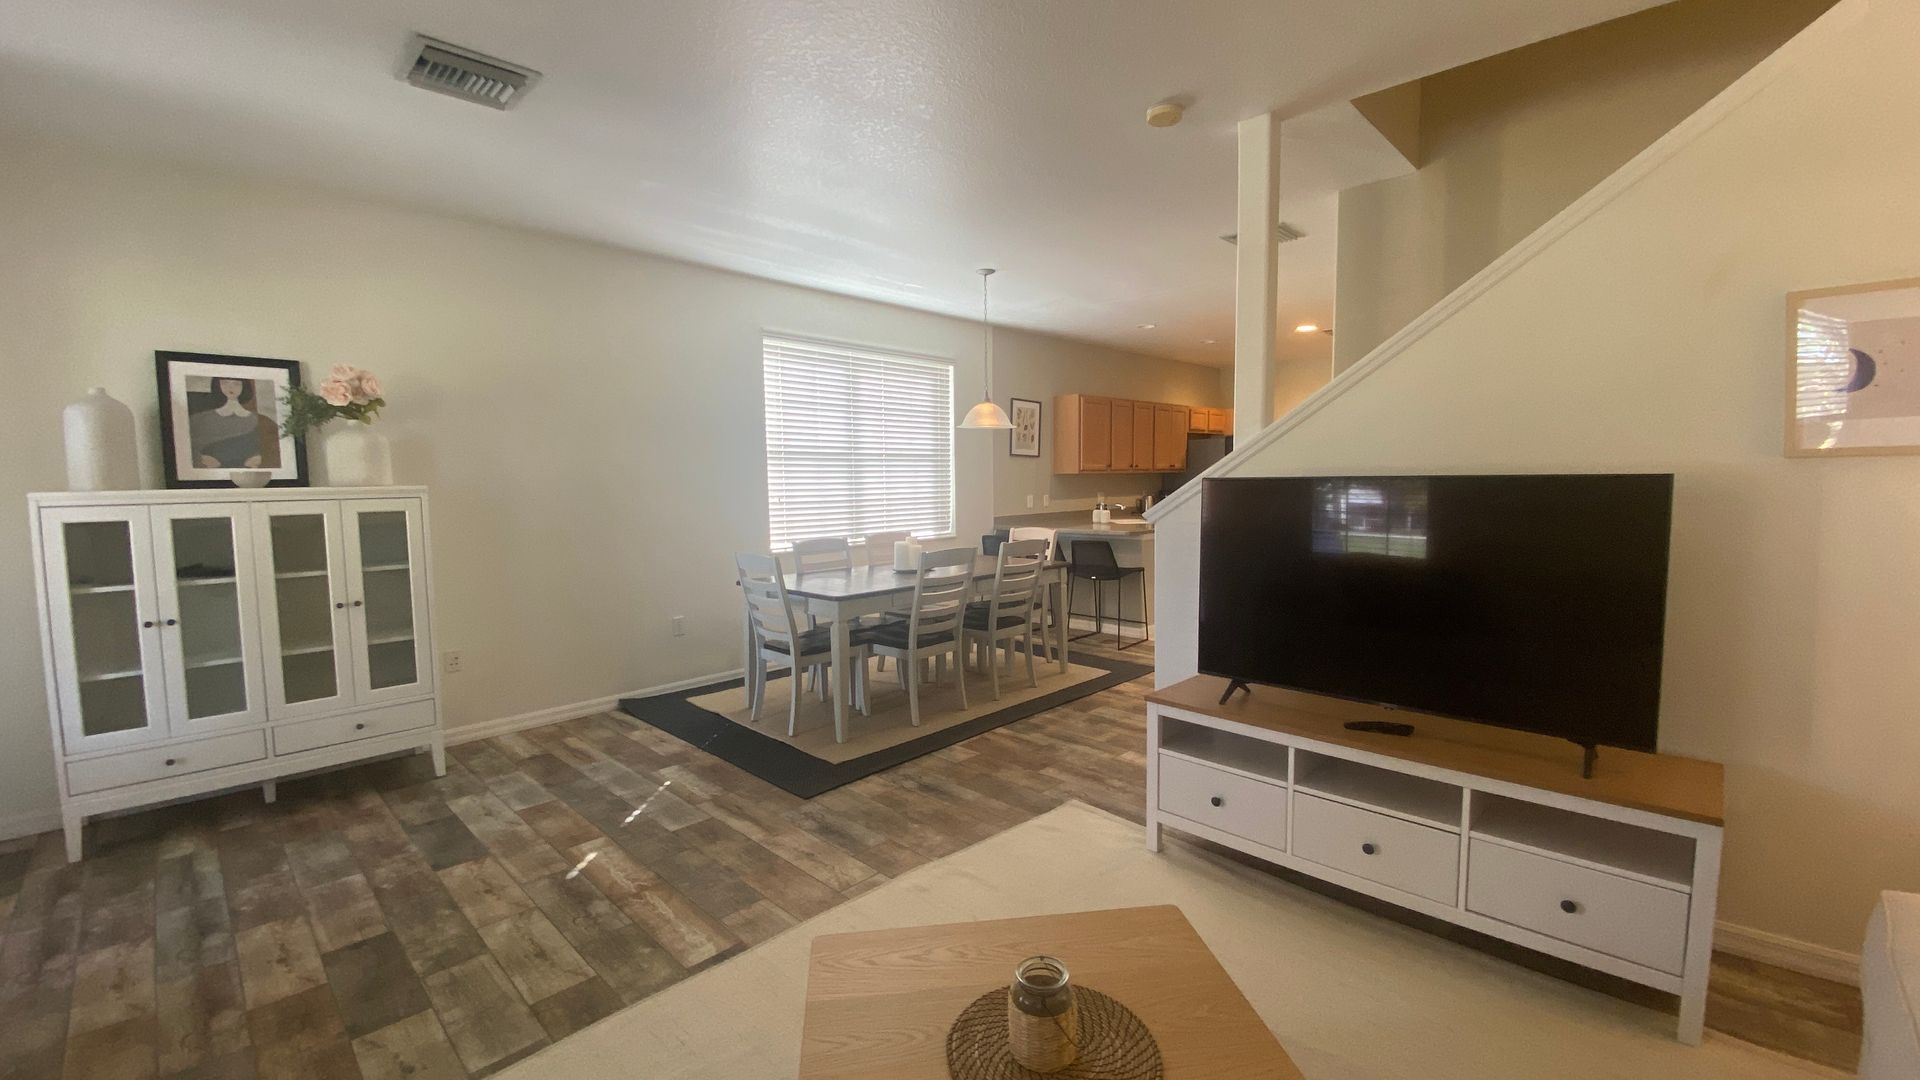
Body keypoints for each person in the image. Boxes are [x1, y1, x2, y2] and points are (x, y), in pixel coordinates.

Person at [189, 377, 280, 469]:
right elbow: (188, 447)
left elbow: (275, 449)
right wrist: (200, 459)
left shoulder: (262, 421)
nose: (231, 387)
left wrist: (263, 459)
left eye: (236, 384)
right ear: (218, 385)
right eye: (225, 383)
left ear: (244, 386)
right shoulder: (201, 419)